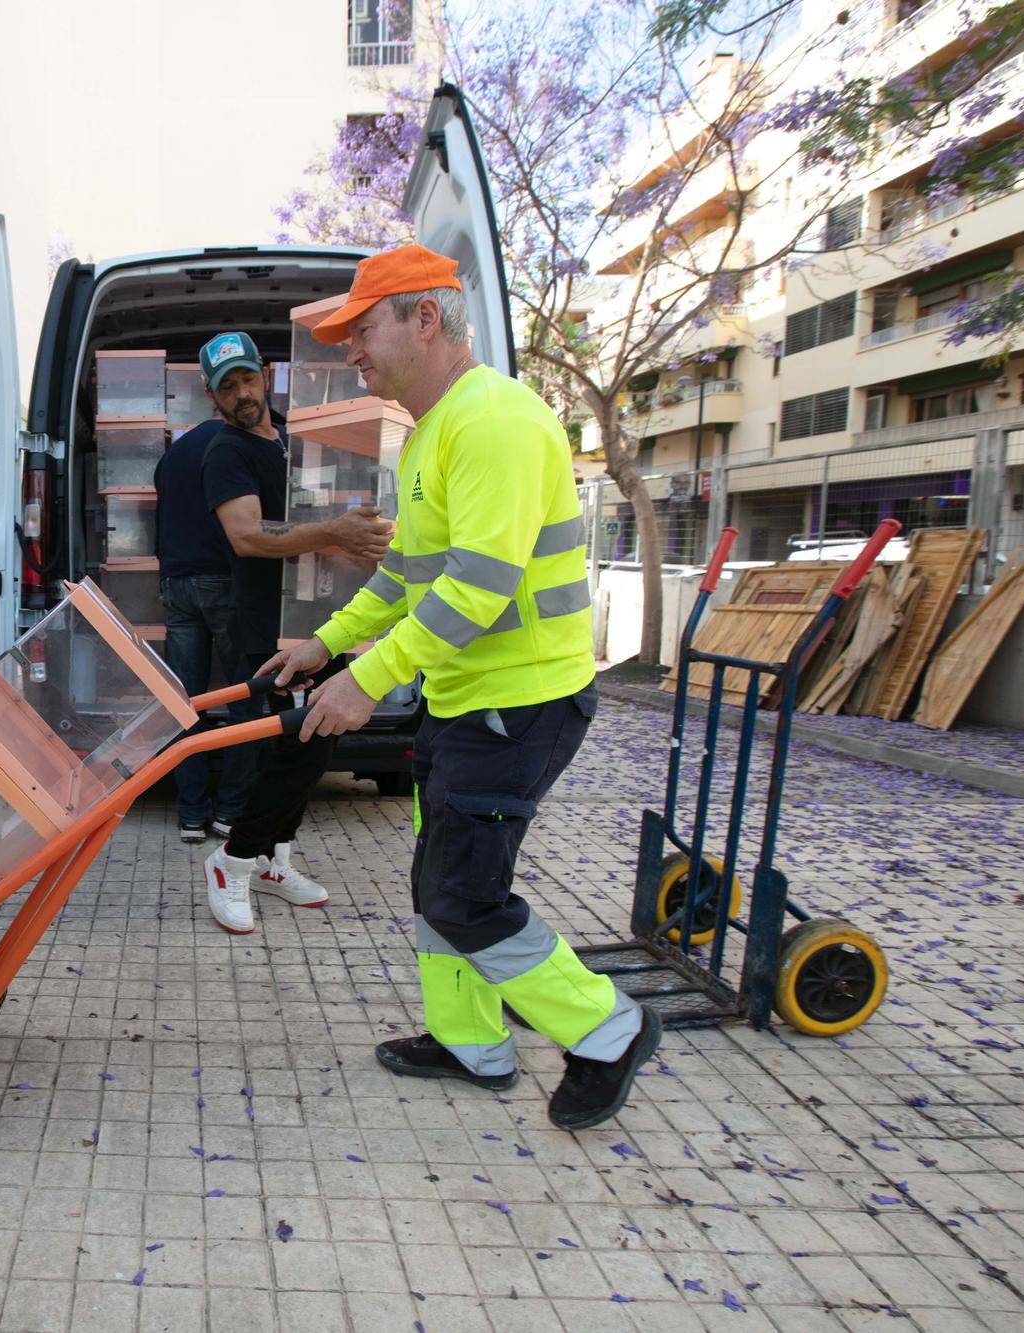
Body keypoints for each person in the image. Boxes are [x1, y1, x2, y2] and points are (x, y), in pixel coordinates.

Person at [260, 246, 659, 1131]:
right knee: (440, 877)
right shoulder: (436, 429)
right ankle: (471, 1041)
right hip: (464, 699)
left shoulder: (494, 423)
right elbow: (407, 576)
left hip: (519, 705)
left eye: (363, 328)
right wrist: (321, 647)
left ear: (424, 320)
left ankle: (607, 1027)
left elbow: (475, 588)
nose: (353, 349)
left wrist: (367, 681)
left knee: (464, 894)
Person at [156, 331, 392, 932]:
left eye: (247, 379)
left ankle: (273, 862)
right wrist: (336, 533)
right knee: (289, 752)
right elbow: (248, 535)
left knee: (314, 748)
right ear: (212, 398)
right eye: (227, 387)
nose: (242, 394)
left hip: (320, 623)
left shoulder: (295, 439)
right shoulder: (225, 452)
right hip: (266, 627)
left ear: (266, 374)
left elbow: (318, 514)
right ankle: (232, 860)